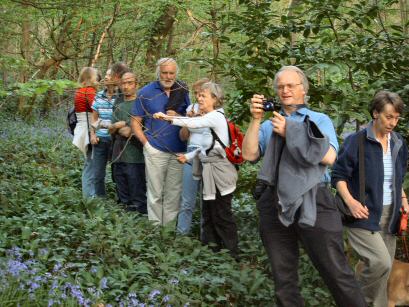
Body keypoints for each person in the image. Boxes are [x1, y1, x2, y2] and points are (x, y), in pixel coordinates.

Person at [242, 65, 366, 306]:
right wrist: (256, 120)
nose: (285, 91)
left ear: (303, 90)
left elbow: (330, 157)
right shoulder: (270, 125)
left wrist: (292, 131)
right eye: (280, 87)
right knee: (283, 278)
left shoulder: (318, 119)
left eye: (291, 85)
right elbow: (248, 155)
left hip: (315, 199)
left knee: (337, 273)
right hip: (274, 201)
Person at [332, 90, 409, 307]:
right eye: (388, 116)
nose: (393, 122)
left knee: (383, 273)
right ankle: (355, 301)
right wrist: (351, 202)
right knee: (381, 263)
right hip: (362, 215)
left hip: (391, 214)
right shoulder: (356, 141)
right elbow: (338, 176)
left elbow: (397, 178)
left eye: (396, 117)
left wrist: (403, 198)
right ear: (375, 113)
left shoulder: (398, 143)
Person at [154, 81, 239, 259]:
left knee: (221, 212)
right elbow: (204, 147)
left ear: (215, 99)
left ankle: (231, 254)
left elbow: (194, 124)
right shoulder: (208, 117)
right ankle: (211, 250)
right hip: (208, 168)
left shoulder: (216, 116)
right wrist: (189, 157)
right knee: (208, 210)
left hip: (220, 172)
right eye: (198, 95)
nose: (199, 98)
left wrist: (167, 117)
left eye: (204, 96)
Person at [131, 58, 190, 225]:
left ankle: (168, 228)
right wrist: (146, 144)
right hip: (155, 149)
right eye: (165, 72)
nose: (168, 76)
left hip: (179, 150)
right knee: (155, 191)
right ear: (158, 73)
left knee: (174, 192)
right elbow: (135, 121)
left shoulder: (182, 90)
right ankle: (155, 228)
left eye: (172, 73)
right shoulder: (146, 92)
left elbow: (189, 118)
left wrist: (177, 116)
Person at [109, 71, 147, 214]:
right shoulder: (118, 105)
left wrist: (128, 128)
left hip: (136, 156)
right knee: (122, 193)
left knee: (138, 193)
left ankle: (141, 222)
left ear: (136, 85)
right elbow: (111, 129)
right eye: (124, 83)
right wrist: (117, 126)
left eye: (129, 83)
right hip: (118, 154)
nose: (126, 86)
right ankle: (125, 221)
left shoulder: (141, 105)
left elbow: (144, 129)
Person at [177, 77, 210, 235]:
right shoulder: (191, 108)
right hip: (191, 152)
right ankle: (181, 236)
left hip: (209, 155)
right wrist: (188, 121)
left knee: (207, 200)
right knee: (187, 201)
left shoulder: (216, 110)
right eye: (196, 93)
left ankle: (206, 238)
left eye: (201, 93)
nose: (198, 97)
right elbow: (183, 136)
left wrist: (202, 118)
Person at [72, 67, 99, 198]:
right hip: (90, 130)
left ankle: (89, 196)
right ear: (90, 78)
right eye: (95, 77)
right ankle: (89, 198)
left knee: (90, 163)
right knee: (91, 165)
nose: (97, 79)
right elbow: (97, 110)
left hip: (83, 128)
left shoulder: (79, 91)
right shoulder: (89, 92)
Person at [89, 69, 116, 197]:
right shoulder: (99, 95)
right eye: (105, 75)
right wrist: (93, 134)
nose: (106, 77)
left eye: (109, 75)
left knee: (118, 172)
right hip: (100, 139)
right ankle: (100, 200)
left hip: (116, 140)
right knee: (98, 173)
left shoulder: (121, 97)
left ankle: (121, 200)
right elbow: (94, 118)